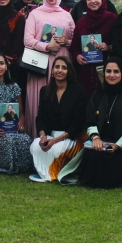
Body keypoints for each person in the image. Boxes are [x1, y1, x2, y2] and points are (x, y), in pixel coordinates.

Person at [81, 58, 122, 188]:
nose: (111, 75)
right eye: (108, 71)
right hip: (100, 144)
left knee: (110, 162)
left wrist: (117, 145)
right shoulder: (97, 95)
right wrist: (96, 138)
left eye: (116, 71)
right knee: (93, 157)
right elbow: (90, 120)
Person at [23, 0, 75, 128]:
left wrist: (66, 41)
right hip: (40, 65)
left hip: (61, 63)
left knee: (61, 101)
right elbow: (27, 40)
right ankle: (38, 138)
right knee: (40, 101)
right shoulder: (34, 14)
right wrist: (47, 46)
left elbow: (75, 40)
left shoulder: (66, 16)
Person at [30, 56, 87, 184]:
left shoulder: (78, 91)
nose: (60, 70)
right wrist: (43, 136)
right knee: (35, 146)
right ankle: (46, 172)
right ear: (52, 70)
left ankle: (55, 173)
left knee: (56, 149)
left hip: (70, 137)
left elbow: (78, 124)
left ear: (69, 71)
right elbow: (40, 119)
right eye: (57, 67)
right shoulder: (45, 90)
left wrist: (55, 140)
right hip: (50, 135)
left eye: (64, 68)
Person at [74, 0, 116, 96]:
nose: (93, 1)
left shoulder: (112, 19)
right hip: (86, 72)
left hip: (108, 70)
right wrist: (77, 56)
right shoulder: (81, 22)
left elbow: (119, 43)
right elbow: (75, 46)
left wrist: (108, 47)